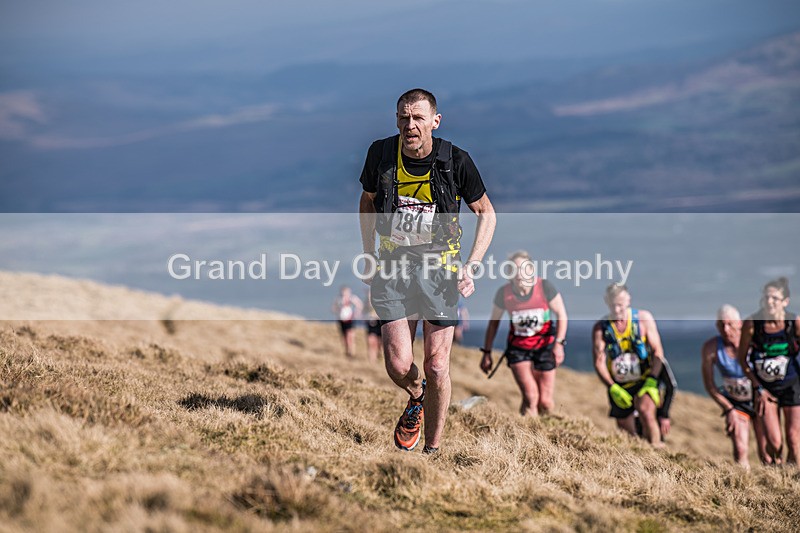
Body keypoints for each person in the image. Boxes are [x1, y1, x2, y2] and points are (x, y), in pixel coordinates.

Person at [358, 88, 496, 453]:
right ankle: (416, 396)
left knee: (437, 366)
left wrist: (472, 267)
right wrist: (368, 252)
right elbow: (368, 201)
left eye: (418, 117)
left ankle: (432, 451)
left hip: (440, 273)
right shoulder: (381, 155)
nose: (410, 124)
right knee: (398, 364)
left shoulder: (456, 161)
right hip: (392, 269)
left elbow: (486, 213)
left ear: (435, 121)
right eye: (403, 117)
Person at [480, 250, 568, 416]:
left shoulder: (545, 287)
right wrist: (487, 352)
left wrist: (559, 344)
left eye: (523, 268)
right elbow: (493, 324)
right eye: (513, 269)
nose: (519, 273)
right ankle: (528, 435)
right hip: (518, 348)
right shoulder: (504, 294)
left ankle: (545, 432)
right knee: (531, 397)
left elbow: (562, 314)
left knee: (546, 402)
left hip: (545, 346)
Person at [592, 283, 666, 446]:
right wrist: (612, 387)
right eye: (613, 305)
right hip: (619, 384)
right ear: (606, 301)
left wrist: (653, 379)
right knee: (626, 432)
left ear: (628, 301)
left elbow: (657, 352)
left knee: (646, 412)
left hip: (645, 380)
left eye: (620, 305)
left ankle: (656, 452)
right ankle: (635, 460)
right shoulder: (601, 328)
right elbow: (599, 362)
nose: (617, 310)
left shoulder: (643, 319)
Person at [737, 277, 800, 465]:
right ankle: (776, 468)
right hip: (765, 389)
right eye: (767, 298)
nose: (770, 302)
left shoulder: (793, 323)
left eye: (775, 298)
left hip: (792, 385)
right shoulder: (752, 324)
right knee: (774, 442)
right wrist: (758, 388)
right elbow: (742, 359)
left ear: (785, 301)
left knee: (794, 439)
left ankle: (791, 480)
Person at [701, 304, 768, 468]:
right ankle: (742, 484)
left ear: (739, 323)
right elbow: (710, 385)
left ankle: (775, 484)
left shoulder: (754, 342)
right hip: (737, 403)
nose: (725, 328)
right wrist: (728, 408)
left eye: (730, 323)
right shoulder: (711, 348)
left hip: (759, 400)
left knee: (767, 451)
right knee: (740, 449)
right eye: (721, 324)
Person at [635, 358, 677, 442]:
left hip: (652, 411)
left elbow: (671, 387)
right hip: (629, 410)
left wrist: (664, 414)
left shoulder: (657, 359)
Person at [332, 286, 362, 359]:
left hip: (350, 319)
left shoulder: (352, 298)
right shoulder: (338, 299)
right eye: (343, 292)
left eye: (346, 292)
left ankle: (352, 352)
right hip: (341, 320)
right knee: (344, 336)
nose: (344, 293)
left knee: (350, 335)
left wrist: (356, 313)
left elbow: (359, 305)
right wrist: (338, 312)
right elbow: (333, 308)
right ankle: (347, 351)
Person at [364, 290, 382, 364]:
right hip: (370, 323)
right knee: (371, 342)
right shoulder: (366, 302)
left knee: (380, 343)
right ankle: (372, 361)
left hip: (380, 322)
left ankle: (379, 354)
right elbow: (363, 311)